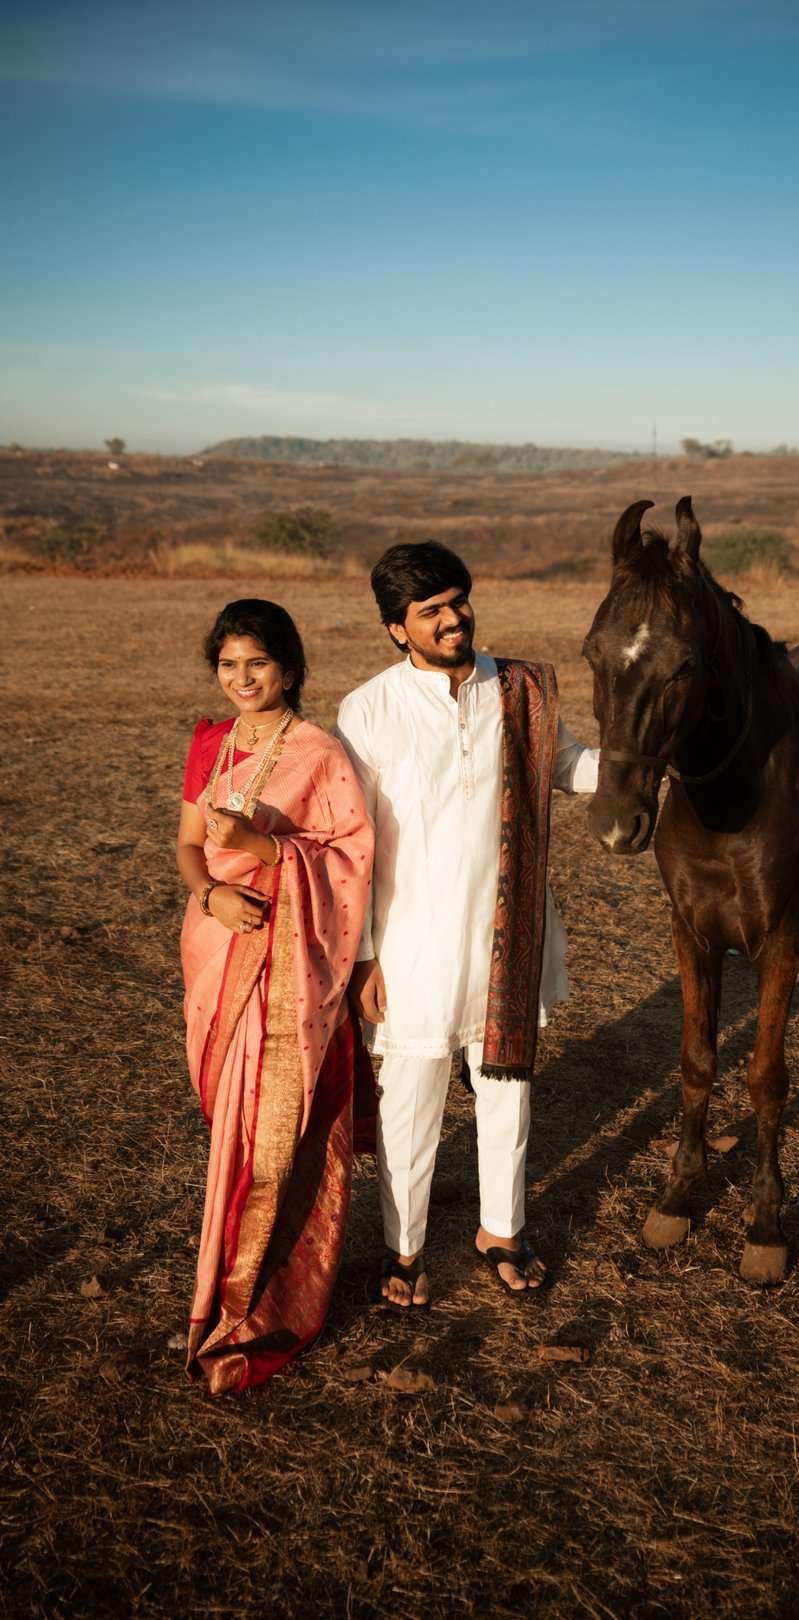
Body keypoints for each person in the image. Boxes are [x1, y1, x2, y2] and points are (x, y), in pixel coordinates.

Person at [335, 542, 598, 1307]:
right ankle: (405, 1249)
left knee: (507, 1090)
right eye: (431, 611)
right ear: (397, 628)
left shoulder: (520, 689)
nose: (453, 619)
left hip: (506, 934)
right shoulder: (369, 708)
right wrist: (364, 956)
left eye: (458, 602)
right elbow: (353, 840)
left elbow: (571, 767)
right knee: (410, 1100)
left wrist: (647, 762)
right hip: (410, 944)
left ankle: (502, 1231)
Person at [176, 599, 373, 1393]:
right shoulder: (212, 744)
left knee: (272, 1130)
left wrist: (261, 847)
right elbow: (188, 847)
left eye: (257, 663)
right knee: (233, 1124)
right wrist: (210, 895)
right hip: (219, 947)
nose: (242, 678)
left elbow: (350, 859)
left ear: (289, 668)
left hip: (291, 965)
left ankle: (255, 1298)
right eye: (228, 664)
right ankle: (225, 1278)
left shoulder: (320, 754)